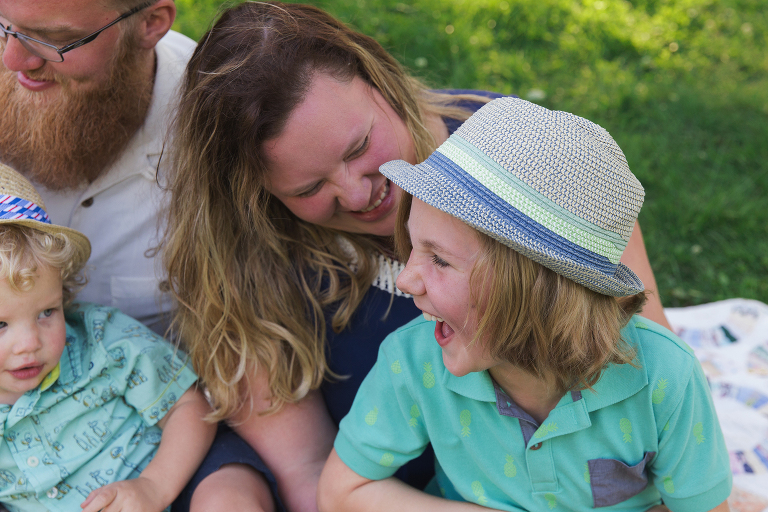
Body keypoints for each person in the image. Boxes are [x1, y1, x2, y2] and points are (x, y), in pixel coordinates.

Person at [164, 2, 672, 510]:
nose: (358, 195)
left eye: (359, 146)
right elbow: (315, 482)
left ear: (378, 79)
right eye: (310, 187)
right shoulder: (245, 264)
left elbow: (645, 360)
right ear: (259, 193)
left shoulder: (518, 158)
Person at [317, 97, 731, 511]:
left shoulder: (664, 377)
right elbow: (340, 491)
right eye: (413, 248)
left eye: (440, 259)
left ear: (538, 295)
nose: (406, 281)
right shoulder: (415, 360)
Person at [0, 2, 275, 509]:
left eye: (53, 39)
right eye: (5, 26)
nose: (14, 57)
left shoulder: (216, 128)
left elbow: (256, 330)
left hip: (160, 425)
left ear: (150, 24)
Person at [0, 162, 218, 512]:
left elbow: (188, 406)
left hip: (168, 493)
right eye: (1, 326)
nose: (29, 343)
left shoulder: (104, 343)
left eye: (47, 312)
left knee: (231, 491)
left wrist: (154, 486)